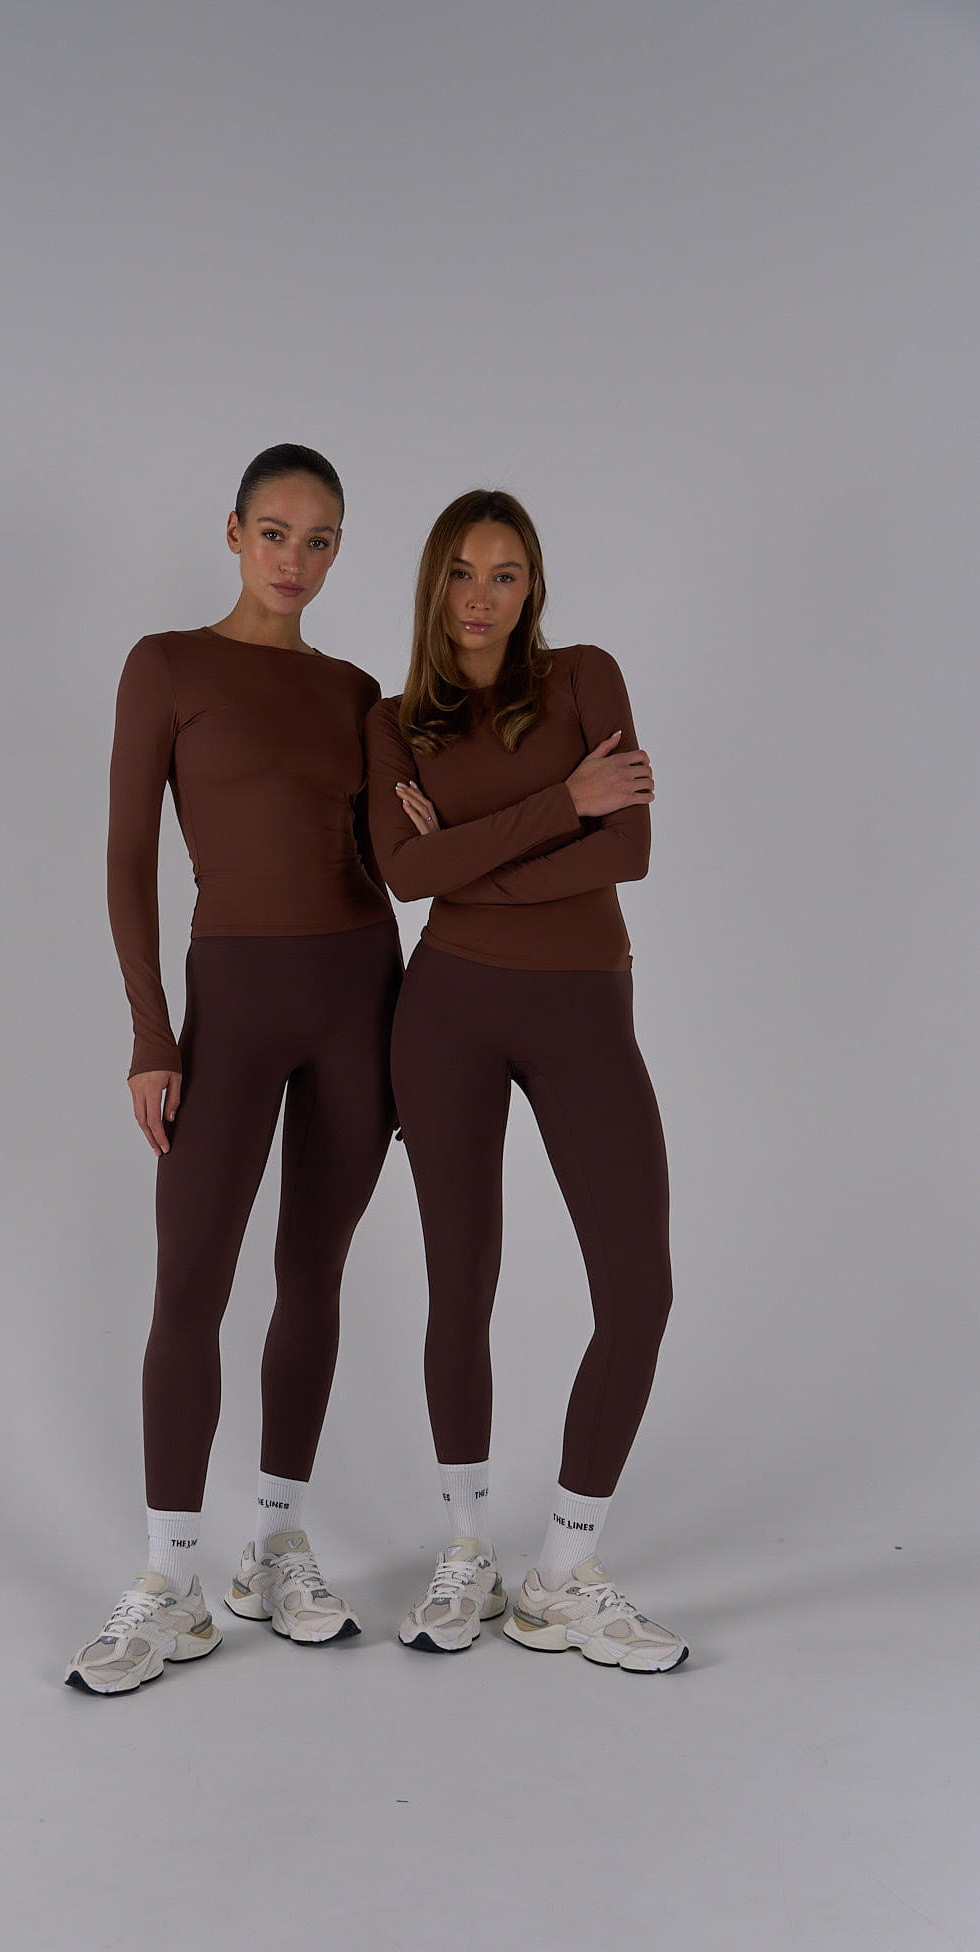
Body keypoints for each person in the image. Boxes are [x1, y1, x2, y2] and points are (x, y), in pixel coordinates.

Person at [67, 445, 401, 1695]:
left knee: (312, 1275)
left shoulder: (358, 691)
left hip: (360, 996)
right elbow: (127, 858)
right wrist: (153, 1032)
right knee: (191, 1279)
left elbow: (398, 863)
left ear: (338, 549)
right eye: (274, 532)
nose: (294, 560)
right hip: (234, 1008)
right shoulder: (167, 665)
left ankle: (276, 1544)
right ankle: (171, 1578)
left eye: (319, 540)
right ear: (233, 532)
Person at [364, 489, 687, 1670]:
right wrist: (562, 806)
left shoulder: (586, 677)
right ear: (433, 583)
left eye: (507, 573)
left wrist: (462, 860)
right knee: (461, 1281)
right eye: (463, 571)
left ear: (532, 586)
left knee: (638, 1291)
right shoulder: (392, 721)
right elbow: (403, 876)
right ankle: (467, 1549)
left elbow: (629, 846)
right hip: (444, 1013)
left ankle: (561, 1572)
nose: (483, 596)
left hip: (583, 1007)